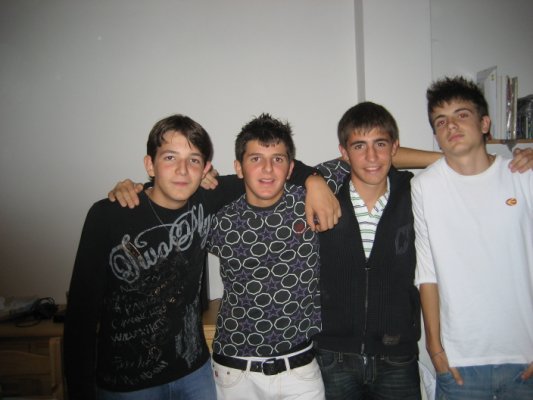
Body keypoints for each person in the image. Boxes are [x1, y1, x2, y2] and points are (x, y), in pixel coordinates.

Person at [412, 76, 533, 400]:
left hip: (524, 357)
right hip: (459, 362)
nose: (451, 125)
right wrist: (435, 348)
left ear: (485, 123)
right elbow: (427, 273)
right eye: (441, 121)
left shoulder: (523, 176)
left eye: (461, 114)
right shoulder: (424, 187)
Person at [207, 113, 328, 399]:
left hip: (300, 369)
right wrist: (134, 188)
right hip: (234, 372)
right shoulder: (218, 219)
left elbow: (372, 157)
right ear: (238, 168)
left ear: (291, 168)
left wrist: (437, 159)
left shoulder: (308, 201)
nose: (267, 169)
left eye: (277, 159)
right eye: (255, 159)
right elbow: (167, 197)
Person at [313, 102, 422, 399]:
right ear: (344, 152)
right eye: (359, 146)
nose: (371, 157)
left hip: (397, 356)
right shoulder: (324, 198)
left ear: (395, 147)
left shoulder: (416, 195)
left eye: (380, 144)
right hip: (333, 356)